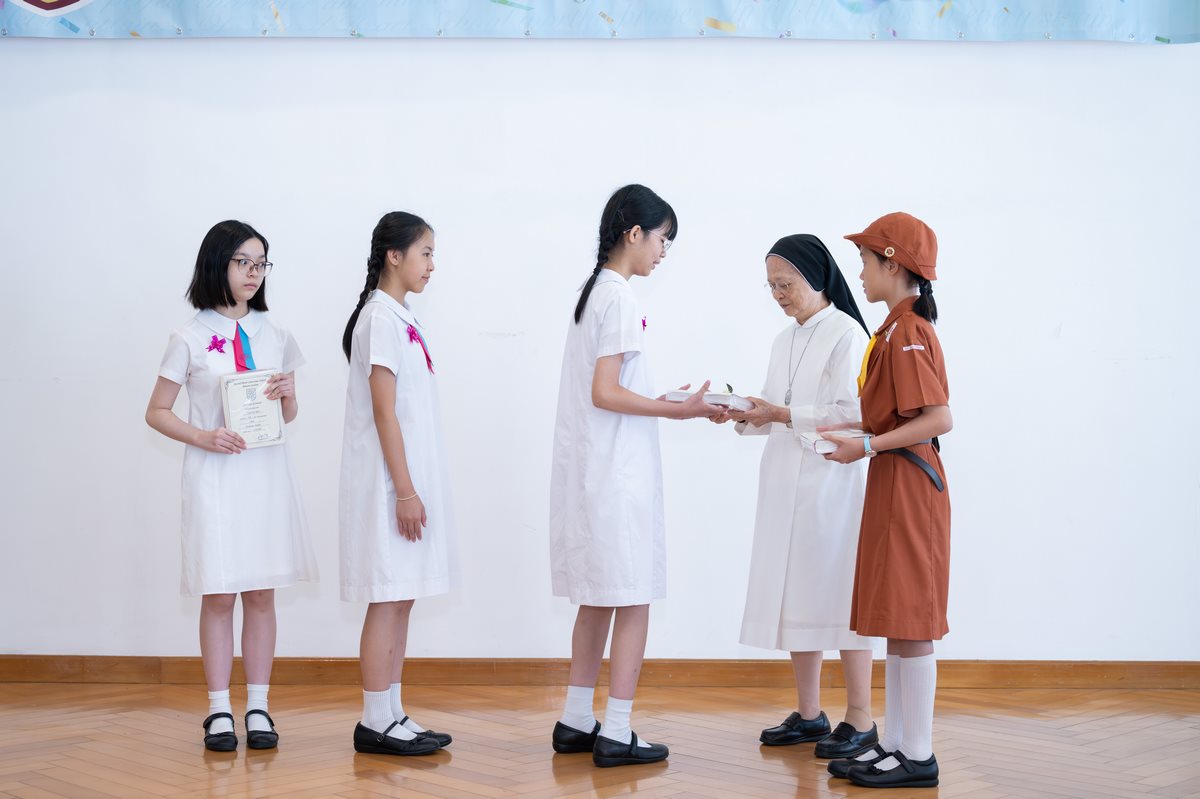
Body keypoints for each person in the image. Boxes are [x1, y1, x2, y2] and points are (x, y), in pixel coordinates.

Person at [548, 184, 719, 767]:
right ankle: (617, 729)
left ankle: (576, 719)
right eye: (663, 239)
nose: (663, 252)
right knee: (633, 597)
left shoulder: (594, 292)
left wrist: (661, 398)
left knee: (598, 599)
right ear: (634, 233)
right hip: (616, 478)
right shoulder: (617, 296)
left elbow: (606, 389)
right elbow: (605, 392)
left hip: (594, 472)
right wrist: (681, 411)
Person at [146, 219, 317, 752]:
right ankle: (219, 709)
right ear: (217, 263)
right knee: (219, 593)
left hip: (265, 476)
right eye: (243, 261)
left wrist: (288, 394)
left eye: (261, 263)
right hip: (215, 477)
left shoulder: (276, 334)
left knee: (261, 592)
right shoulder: (189, 337)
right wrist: (203, 436)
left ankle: (258, 705)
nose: (253, 273)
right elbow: (156, 412)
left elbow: (287, 416)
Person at [715, 234, 879, 759]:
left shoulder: (846, 333)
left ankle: (861, 718)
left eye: (785, 284)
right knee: (796, 595)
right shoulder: (783, 339)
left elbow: (854, 414)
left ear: (816, 277)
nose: (778, 295)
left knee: (841, 595)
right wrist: (742, 413)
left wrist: (782, 415)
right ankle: (810, 715)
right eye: (771, 287)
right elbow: (775, 406)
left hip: (830, 484)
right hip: (784, 479)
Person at [822, 212, 952, 789]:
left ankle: (918, 754)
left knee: (912, 618)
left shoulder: (909, 332)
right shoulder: (895, 330)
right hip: (893, 479)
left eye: (866, 260)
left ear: (893, 264)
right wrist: (857, 434)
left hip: (909, 483)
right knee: (898, 616)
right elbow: (896, 416)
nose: (860, 272)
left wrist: (867, 445)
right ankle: (897, 744)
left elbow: (938, 418)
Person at [340, 212, 453, 756]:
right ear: (394, 255)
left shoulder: (400, 316)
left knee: (402, 598)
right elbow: (384, 413)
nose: (432, 264)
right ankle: (372, 720)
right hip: (389, 486)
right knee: (386, 599)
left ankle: (392, 712)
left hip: (408, 481)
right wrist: (404, 491)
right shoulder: (378, 319)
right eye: (425, 252)